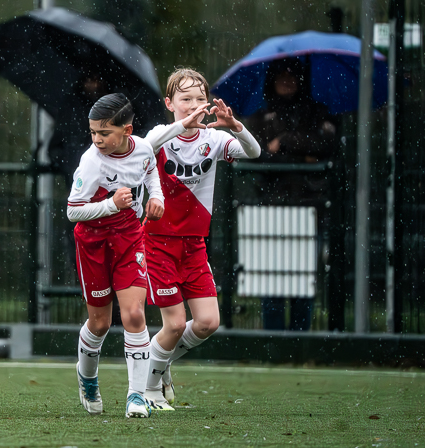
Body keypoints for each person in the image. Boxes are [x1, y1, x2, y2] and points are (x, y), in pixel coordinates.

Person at [66, 93, 200, 419]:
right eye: (93, 132)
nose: (97, 139)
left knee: (134, 315)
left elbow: (150, 167)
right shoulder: (91, 162)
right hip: (93, 242)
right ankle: (87, 377)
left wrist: (157, 197)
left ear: (126, 130)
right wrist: (111, 204)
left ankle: (136, 397)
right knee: (99, 323)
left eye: (104, 133)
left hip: (128, 237)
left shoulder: (141, 147)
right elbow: (72, 211)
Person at [141, 68, 261, 411]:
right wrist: (182, 125)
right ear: (170, 103)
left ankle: (158, 361)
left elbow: (253, 152)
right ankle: (149, 392)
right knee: (175, 324)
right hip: (158, 241)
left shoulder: (215, 139)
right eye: (185, 99)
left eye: (199, 99)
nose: (194, 105)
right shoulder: (162, 134)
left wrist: (235, 125)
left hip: (193, 244)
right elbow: (144, 149)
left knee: (208, 322)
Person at [244, 57, 337, 331]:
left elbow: (327, 143)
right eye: (281, 75)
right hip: (270, 210)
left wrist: (284, 142)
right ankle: (273, 340)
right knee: (270, 279)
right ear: (272, 80)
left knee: (303, 279)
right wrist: (302, 156)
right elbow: (255, 154)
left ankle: (301, 342)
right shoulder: (259, 117)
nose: (287, 80)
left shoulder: (318, 112)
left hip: (310, 209)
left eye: (293, 75)